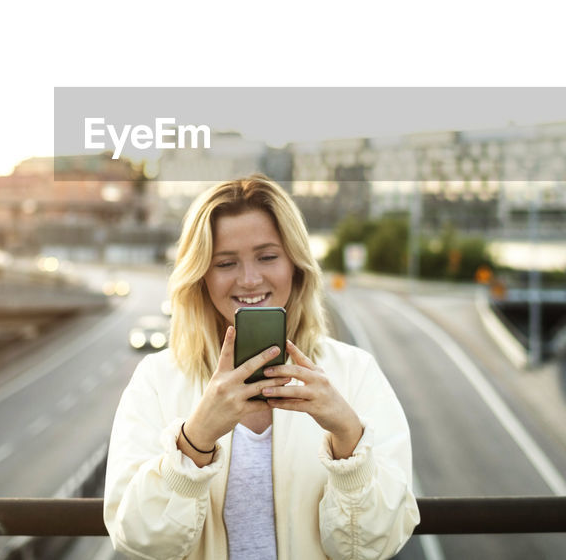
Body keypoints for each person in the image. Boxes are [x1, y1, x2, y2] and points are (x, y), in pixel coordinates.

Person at [104, 174, 420, 560]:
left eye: (267, 256)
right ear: (201, 276)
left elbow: (375, 546)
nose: (249, 279)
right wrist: (196, 439)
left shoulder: (354, 373)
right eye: (225, 263)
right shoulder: (157, 380)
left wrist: (347, 437)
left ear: (296, 266)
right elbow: (137, 541)